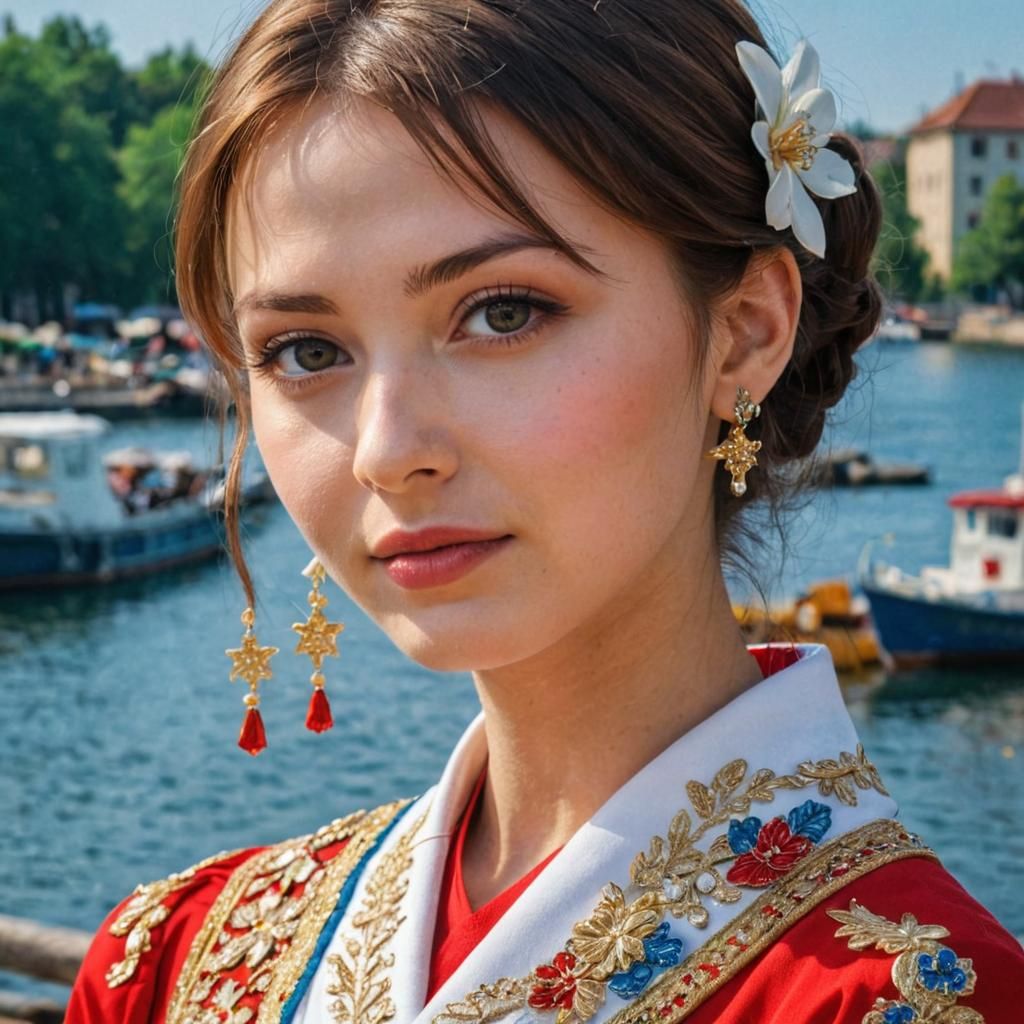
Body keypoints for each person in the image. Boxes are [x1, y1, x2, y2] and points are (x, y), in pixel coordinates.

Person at [67, 1, 1024, 1022]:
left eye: (503, 312)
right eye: (306, 351)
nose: (389, 451)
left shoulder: (907, 999)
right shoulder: (175, 960)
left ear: (745, 332)